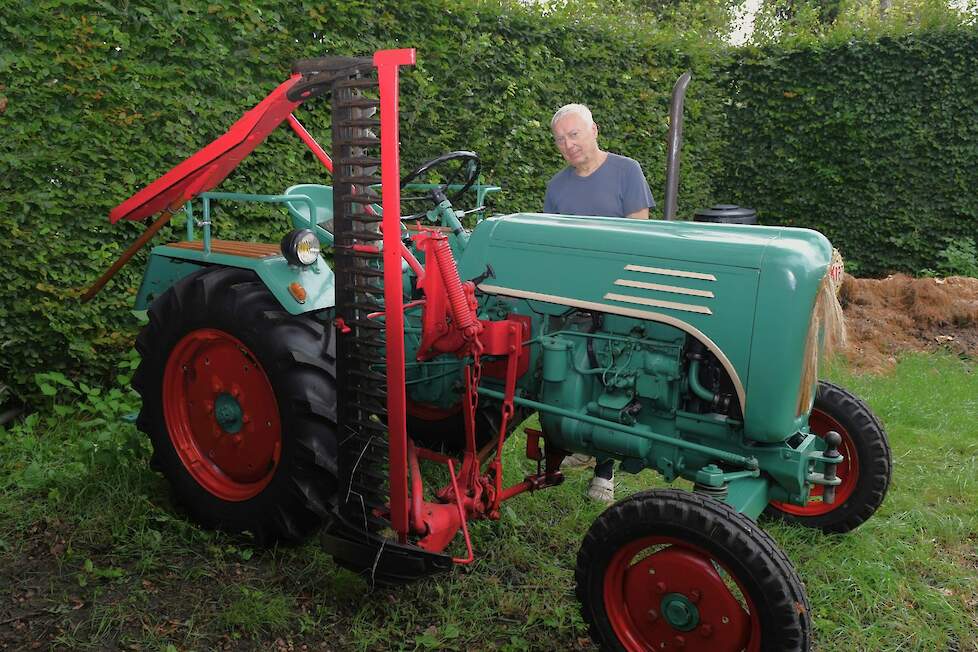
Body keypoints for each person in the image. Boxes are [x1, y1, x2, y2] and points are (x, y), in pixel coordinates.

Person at [544, 103, 655, 503]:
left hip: (619, 292)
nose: (568, 144)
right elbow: (553, 244)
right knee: (574, 368)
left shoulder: (627, 171)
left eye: (574, 134)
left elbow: (640, 237)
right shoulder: (557, 187)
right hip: (573, 295)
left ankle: (604, 473)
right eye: (560, 139)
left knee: (614, 376)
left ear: (594, 130)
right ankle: (576, 441)